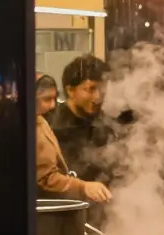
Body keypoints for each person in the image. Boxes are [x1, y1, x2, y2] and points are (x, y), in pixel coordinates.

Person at [36, 73, 111, 203]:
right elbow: (45, 178)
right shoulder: (30, 126)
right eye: (46, 99)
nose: (53, 105)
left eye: (54, 98)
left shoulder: (40, 120)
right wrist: (83, 187)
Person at [45, 54, 115, 187]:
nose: (98, 97)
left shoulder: (106, 124)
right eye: (91, 89)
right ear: (70, 90)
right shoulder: (53, 127)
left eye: (102, 89)